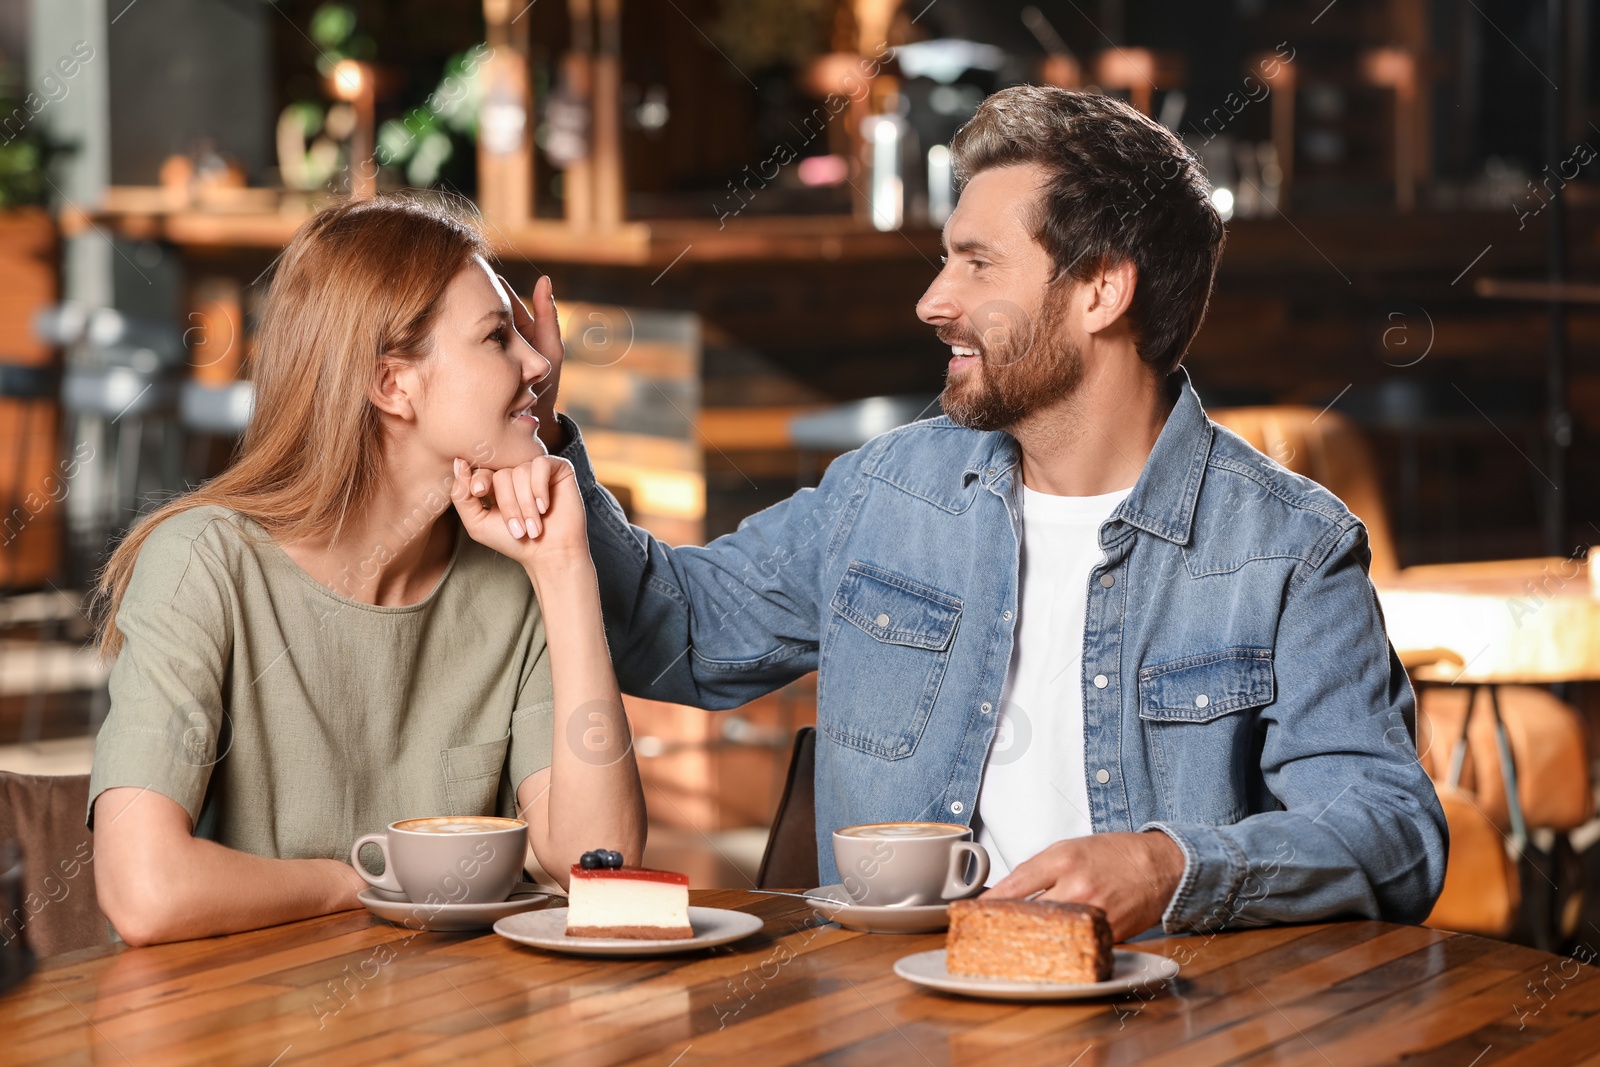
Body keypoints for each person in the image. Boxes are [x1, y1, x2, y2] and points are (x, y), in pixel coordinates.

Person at [516, 86, 1448, 941]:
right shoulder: (886, 495)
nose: (933, 300)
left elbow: (1392, 830)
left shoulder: (1288, 548)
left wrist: (1170, 867)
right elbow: (668, 627)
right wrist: (542, 434)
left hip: (1166, 1026)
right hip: (893, 1023)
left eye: (978, 263)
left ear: (1101, 290)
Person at [89, 197, 644, 947]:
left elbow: (596, 864)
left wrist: (566, 567)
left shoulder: (515, 574)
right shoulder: (202, 565)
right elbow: (144, 889)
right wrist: (361, 885)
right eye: (496, 336)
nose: (543, 363)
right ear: (391, 384)